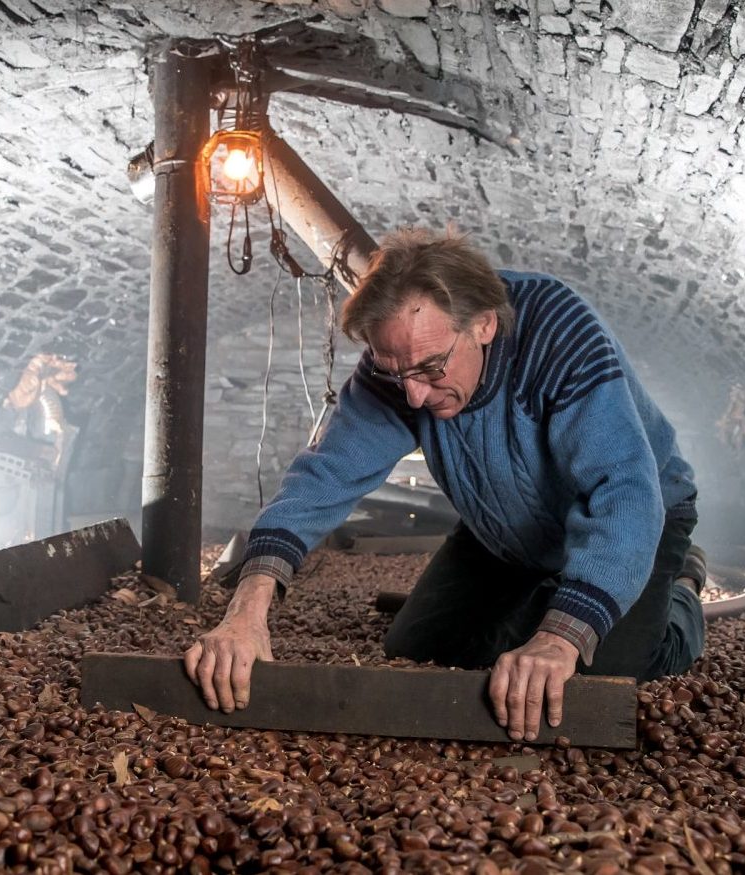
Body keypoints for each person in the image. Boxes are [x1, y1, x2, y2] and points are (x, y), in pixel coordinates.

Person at [184, 229, 706, 741]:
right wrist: (246, 610)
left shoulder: (559, 335)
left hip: (638, 516)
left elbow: (622, 491)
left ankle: (680, 587)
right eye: (396, 375)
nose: (412, 396)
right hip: (504, 528)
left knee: (600, 672)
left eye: (432, 369)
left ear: (483, 324)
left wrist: (559, 635)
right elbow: (324, 474)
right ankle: (561, 593)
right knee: (420, 647)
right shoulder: (400, 364)